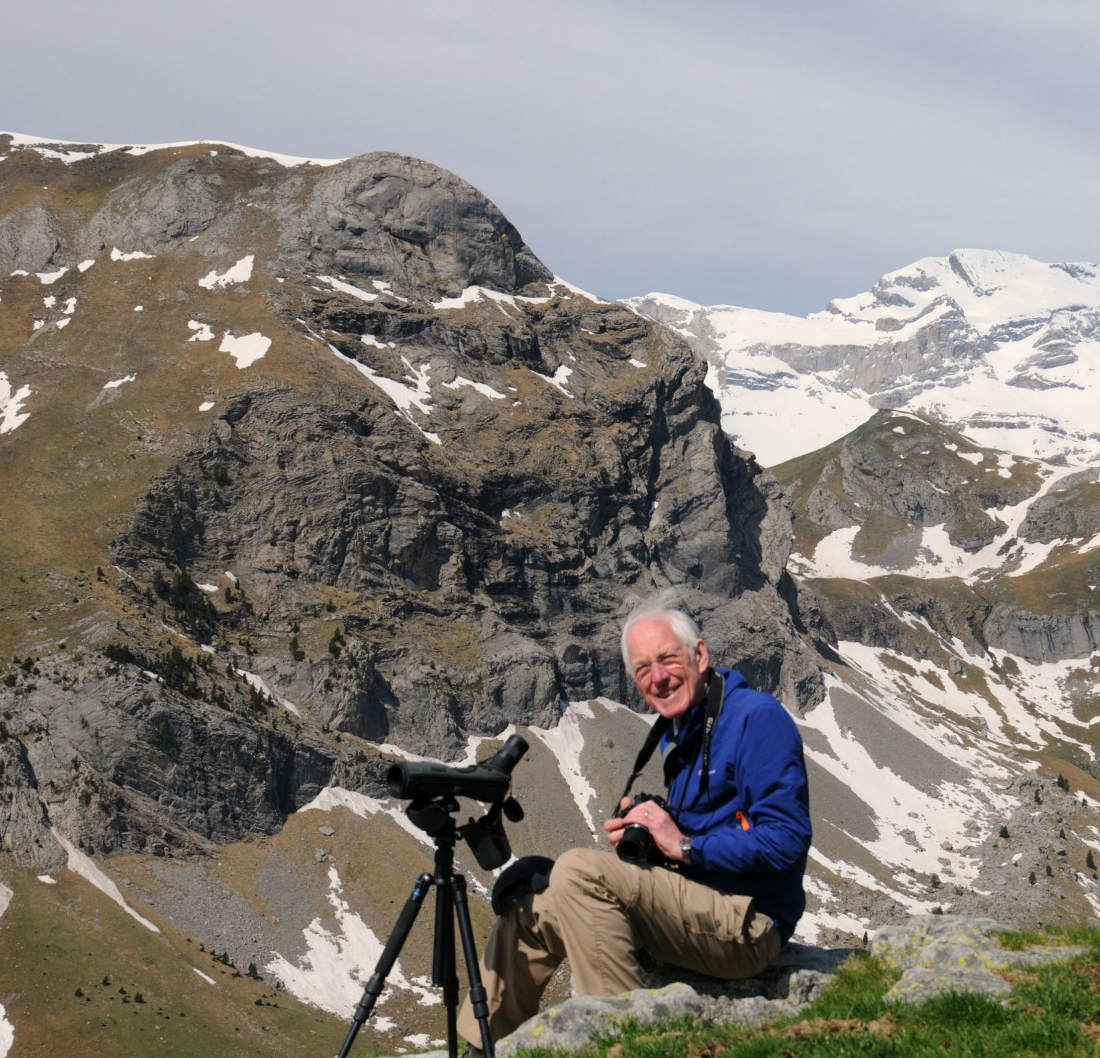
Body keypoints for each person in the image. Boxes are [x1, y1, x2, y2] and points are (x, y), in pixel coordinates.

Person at [456, 597, 812, 1053]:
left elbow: (787, 839)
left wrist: (683, 844)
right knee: (533, 907)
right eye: (643, 669)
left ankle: (629, 1044)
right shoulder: (681, 730)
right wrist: (656, 838)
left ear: (699, 655)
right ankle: (482, 1047)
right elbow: (709, 825)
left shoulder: (755, 718)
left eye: (667, 659)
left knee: (580, 871)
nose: (658, 678)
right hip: (700, 908)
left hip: (751, 924)